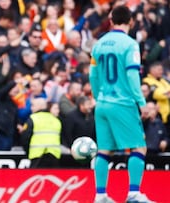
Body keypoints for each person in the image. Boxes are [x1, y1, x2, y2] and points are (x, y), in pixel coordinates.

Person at [89, 6, 154, 203]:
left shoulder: (98, 44)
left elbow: (93, 74)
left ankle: (100, 195)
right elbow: (132, 75)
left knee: (104, 150)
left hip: (102, 103)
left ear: (111, 21)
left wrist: (97, 96)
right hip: (123, 102)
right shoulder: (130, 44)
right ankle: (133, 193)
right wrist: (141, 102)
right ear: (131, 21)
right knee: (138, 147)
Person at [20, 98, 62, 168]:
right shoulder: (56, 120)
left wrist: (28, 152)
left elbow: (25, 138)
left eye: (33, 106)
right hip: (54, 156)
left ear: (39, 106)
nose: (31, 108)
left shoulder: (33, 118)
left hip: (37, 156)